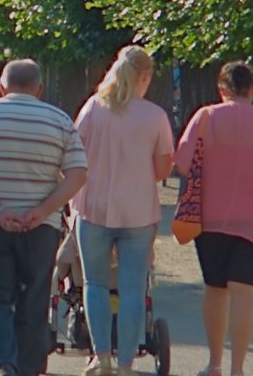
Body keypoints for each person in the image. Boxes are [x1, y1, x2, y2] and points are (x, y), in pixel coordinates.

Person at [0, 59, 87, 376]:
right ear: (40, 88)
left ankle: (2, 364)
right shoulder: (59, 121)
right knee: (34, 299)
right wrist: (43, 210)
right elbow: (77, 174)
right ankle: (28, 368)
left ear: (2, 87)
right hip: (40, 228)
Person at [71, 46, 173, 376]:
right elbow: (162, 169)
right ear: (145, 77)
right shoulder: (155, 116)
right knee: (132, 289)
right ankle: (126, 363)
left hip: (94, 209)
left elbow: (74, 154)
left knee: (95, 284)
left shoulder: (93, 108)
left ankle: (101, 356)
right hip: (138, 212)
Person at [175, 62, 253, 376]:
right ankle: (239, 369)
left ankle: (215, 363)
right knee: (244, 294)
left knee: (215, 289)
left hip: (208, 217)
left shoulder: (205, 117)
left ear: (221, 89)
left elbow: (183, 163)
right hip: (251, 222)